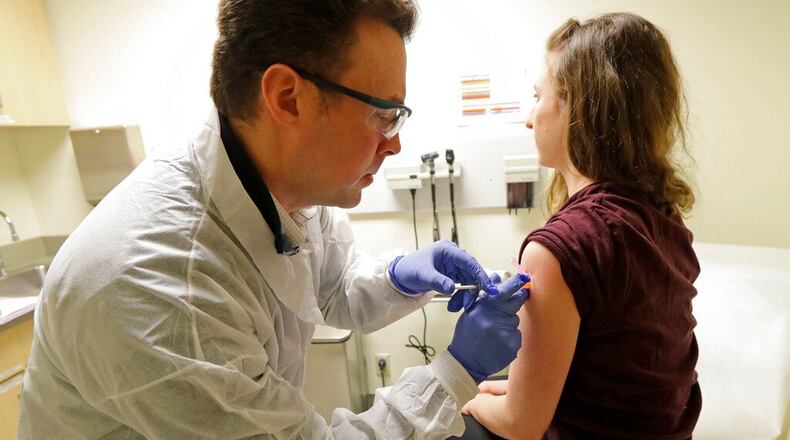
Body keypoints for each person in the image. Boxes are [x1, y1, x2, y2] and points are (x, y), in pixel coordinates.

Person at [17, 1, 531, 438]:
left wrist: (398, 275)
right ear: (288, 97)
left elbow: (328, 287)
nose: (394, 142)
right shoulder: (162, 285)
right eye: (383, 114)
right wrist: (455, 371)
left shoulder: (285, 183)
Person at [460, 12, 701, 440]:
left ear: (576, 107)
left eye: (539, 96)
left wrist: (468, 399)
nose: (530, 118)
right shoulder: (663, 218)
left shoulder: (557, 249)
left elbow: (522, 425)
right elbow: (617, 370)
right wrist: (518, 392)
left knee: (458, 419)